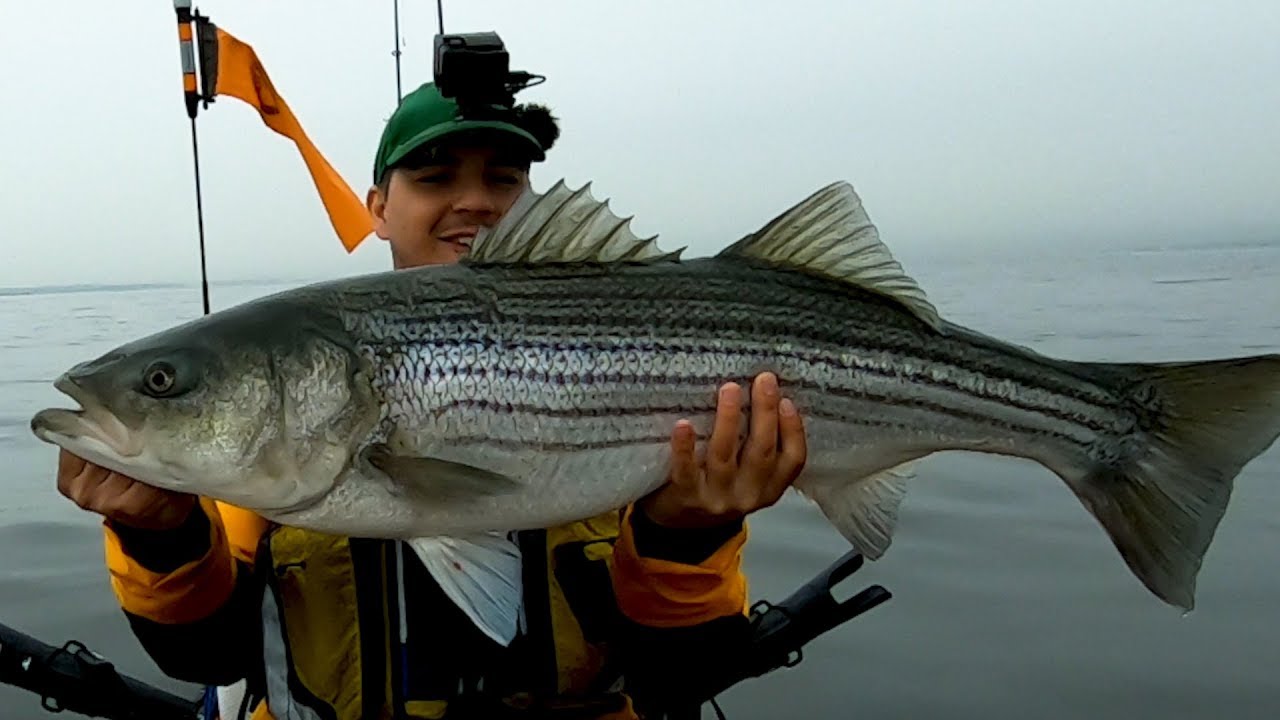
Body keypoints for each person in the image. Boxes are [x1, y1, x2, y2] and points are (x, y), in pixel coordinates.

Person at [56, 81, 809, 720]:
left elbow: (684, 675)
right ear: (377, 205)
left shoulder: (656, 407)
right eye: (435, 176)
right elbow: (203, 655)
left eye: (505, 178)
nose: (474, 201)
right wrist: (161, 538)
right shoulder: (257, 472)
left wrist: (687, 533)